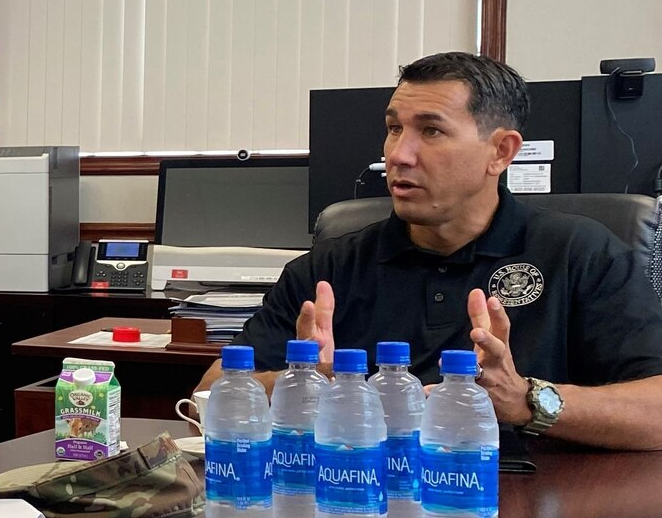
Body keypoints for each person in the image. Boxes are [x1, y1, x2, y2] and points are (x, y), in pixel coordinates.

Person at [204, 51, 662, 451]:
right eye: (393, 129)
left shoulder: (579, 253)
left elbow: (655, 408)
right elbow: (208, 392)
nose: (399, 155)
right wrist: (305, 381)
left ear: (500, 152)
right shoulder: (327, 269)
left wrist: (524, 401)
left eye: (432, 131)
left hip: (522, 506)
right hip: (359, 504)